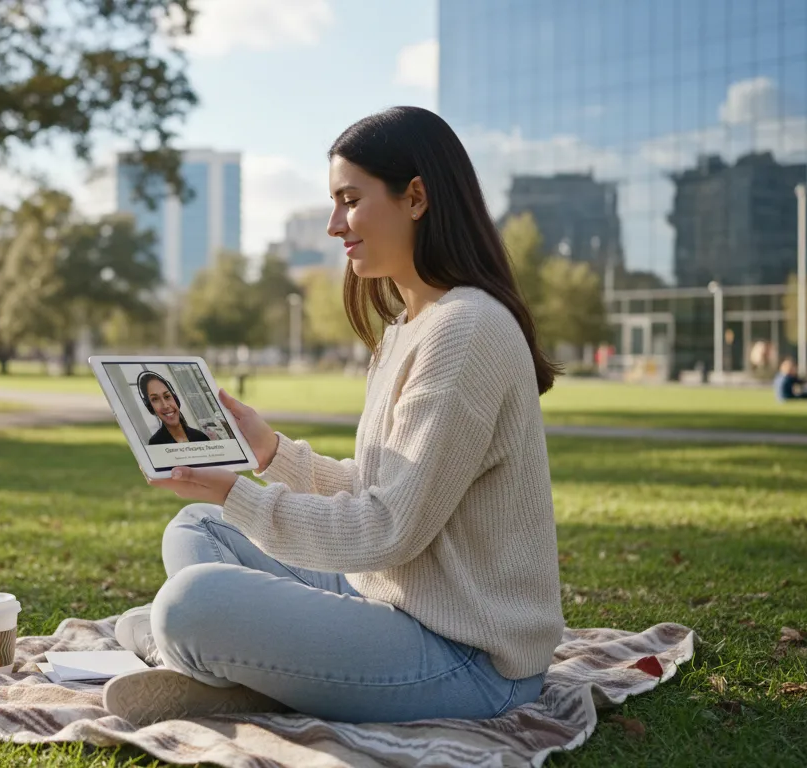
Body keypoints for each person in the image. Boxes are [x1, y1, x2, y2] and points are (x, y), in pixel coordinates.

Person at [102, 106, 564, 727]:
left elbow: (389, 528)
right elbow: (384, 492)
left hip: (468, 658)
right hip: (391, 598)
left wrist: (240, 493)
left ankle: (236, 667)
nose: (333, 224)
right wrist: (272, 454)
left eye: (350, 200)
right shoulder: (407, 328)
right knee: (198, 527)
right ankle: (260, 671)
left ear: (416, 197)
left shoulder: (467, 329)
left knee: (189, 603)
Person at [139, 372, 210, 445]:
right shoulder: (155, 444)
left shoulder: (201, 437)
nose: (165, 406)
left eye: (167, 396)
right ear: (150, 407)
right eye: (155, 399)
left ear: (176, 399)